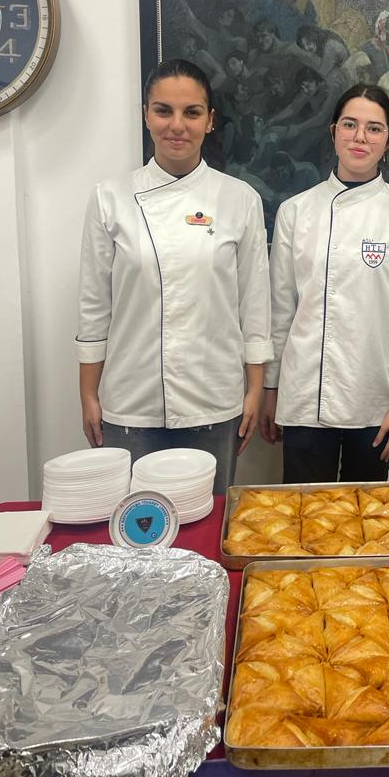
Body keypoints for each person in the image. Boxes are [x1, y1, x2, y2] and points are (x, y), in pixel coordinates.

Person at [76, 59, 273, 493]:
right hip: (130, 401)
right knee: (135, 525)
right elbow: (94, 305)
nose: (177, 125)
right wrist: (89, 394)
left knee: (208, 521)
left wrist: (254, 390)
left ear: (210, 121)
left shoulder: (239, 199)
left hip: (213, 398)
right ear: (145, 115)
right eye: (163, 110)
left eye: (192, 112)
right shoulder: (110, 198)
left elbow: (255, 305)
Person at [260, 84, 389, 483]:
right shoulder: (295, 212)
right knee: (307, 514)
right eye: (350, 125)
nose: (360, 137)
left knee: (368, 514)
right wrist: (270, 392)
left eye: (374, 128)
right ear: (333, 131)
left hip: (377, 401)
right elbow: (279, 311)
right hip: (303, 397)